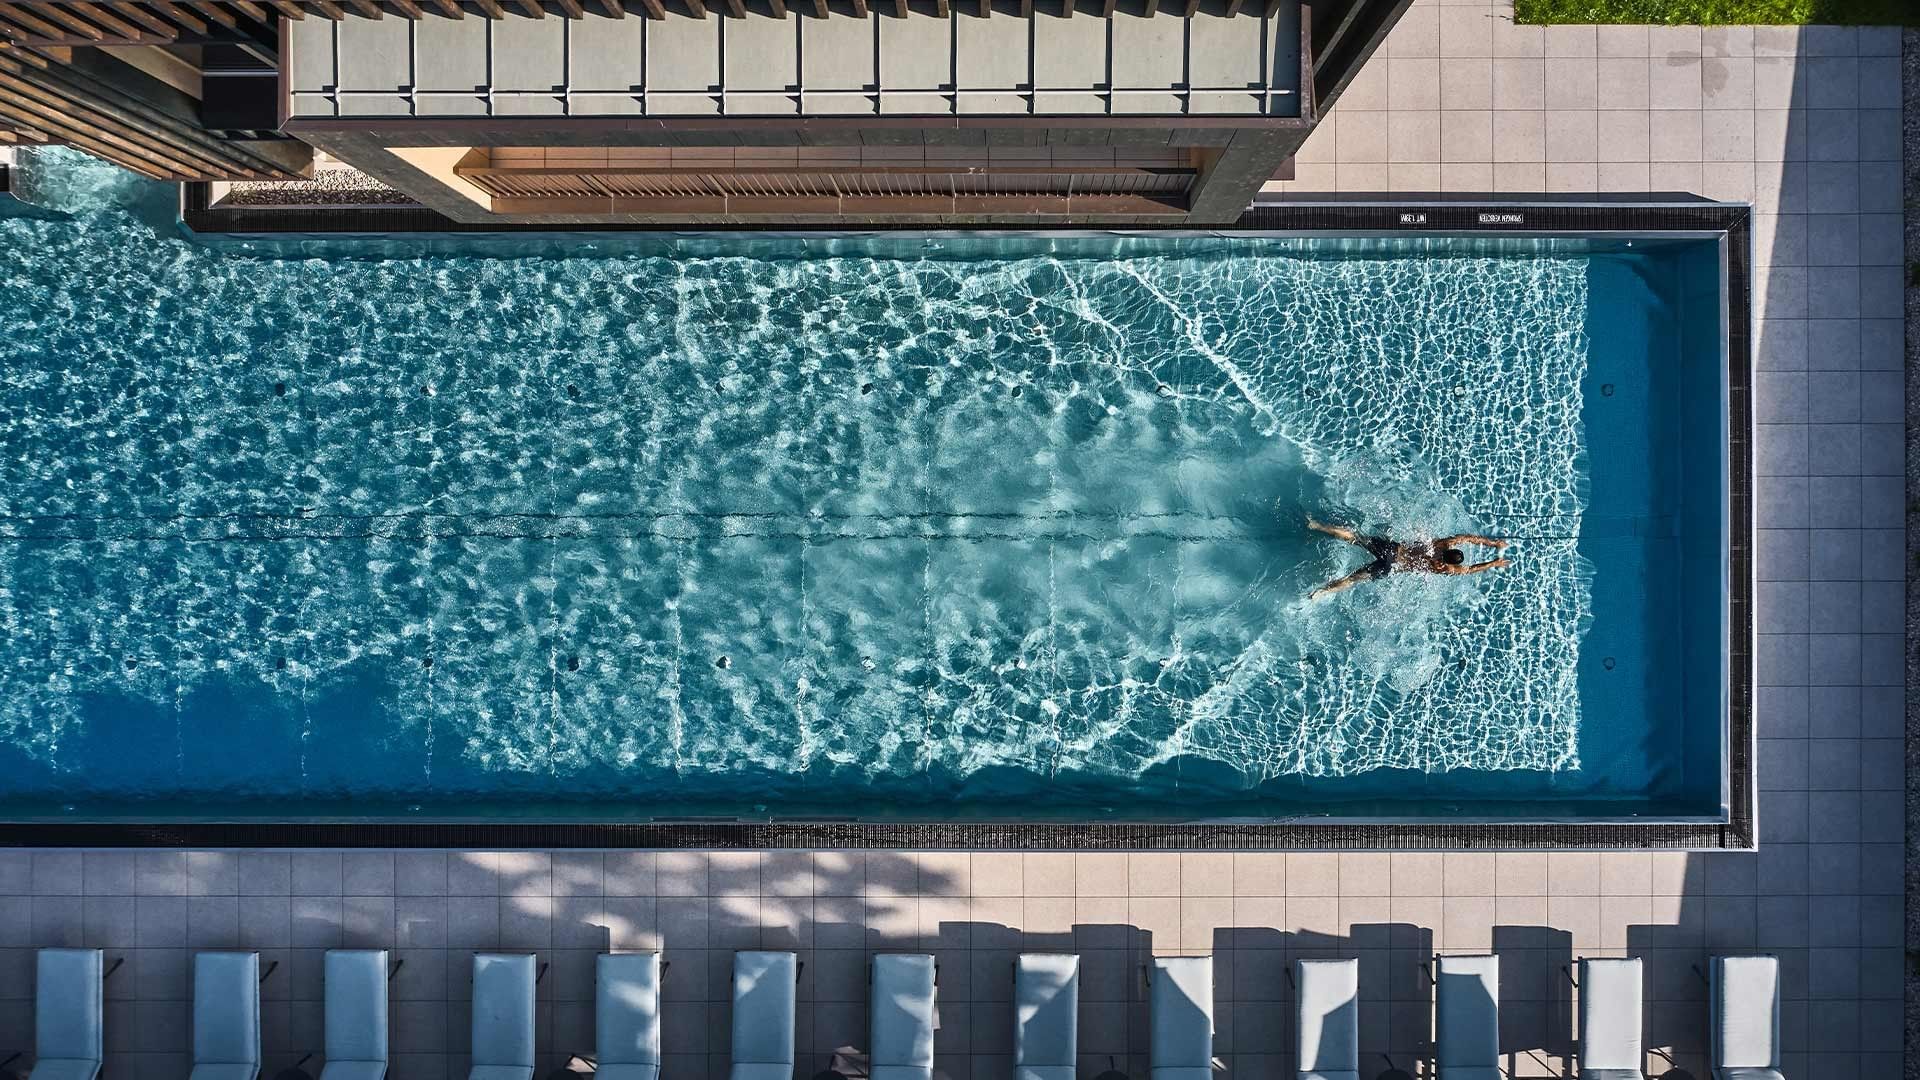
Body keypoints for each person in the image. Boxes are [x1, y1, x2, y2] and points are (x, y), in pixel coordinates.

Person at [1306, 517, 1510, 599]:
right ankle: (1321, 592)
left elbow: (1468, 538)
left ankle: (1318, 526)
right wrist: (1494, 563)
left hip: (1393, 550)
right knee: (1351, 580)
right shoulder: (1444, 568)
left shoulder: (1442, 544)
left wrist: (1493, 543)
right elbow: (1472, 569)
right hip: (1391, 567)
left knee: (1355, 537)